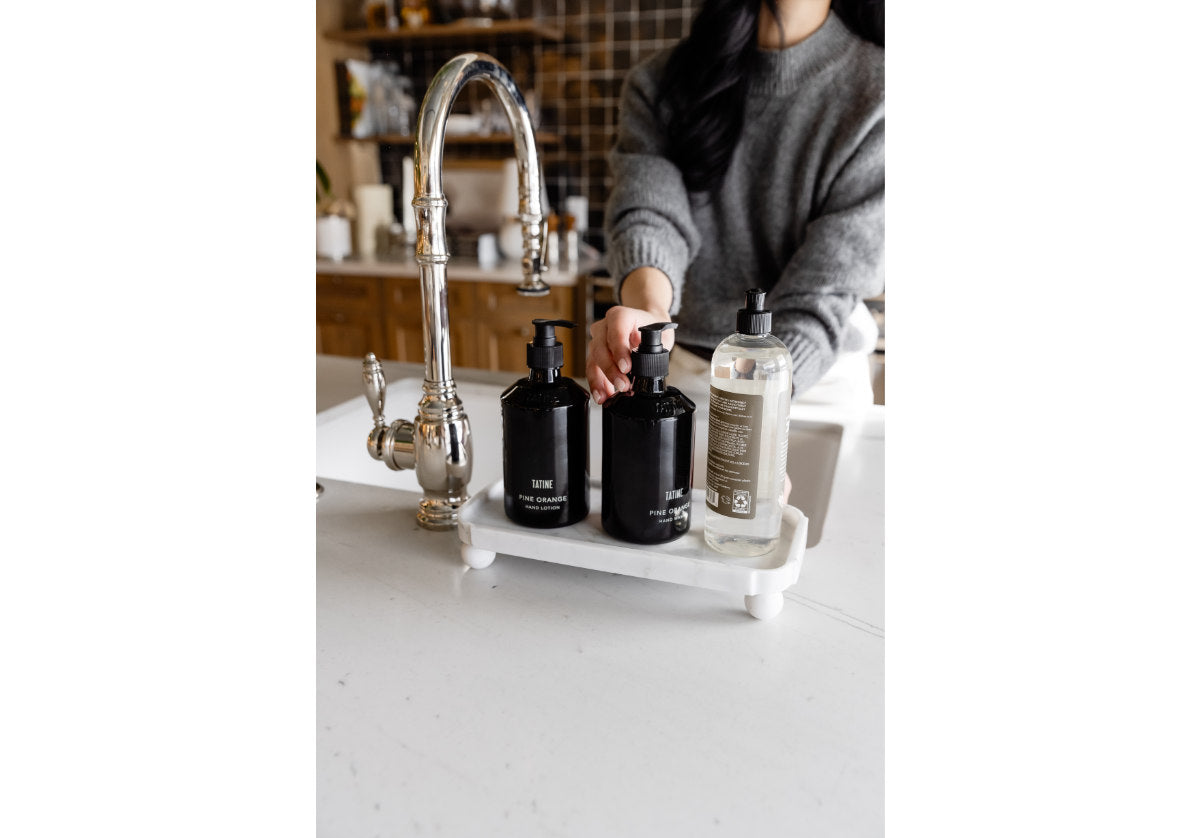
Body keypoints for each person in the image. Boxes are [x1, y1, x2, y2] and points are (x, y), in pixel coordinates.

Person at [587, 0, 884, 406]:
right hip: (684, 374)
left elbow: (823, 292)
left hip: (808, 385)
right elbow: (649, 216)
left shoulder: (880, 93)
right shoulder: (659, 83)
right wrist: (649, 316)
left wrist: (759, 414)